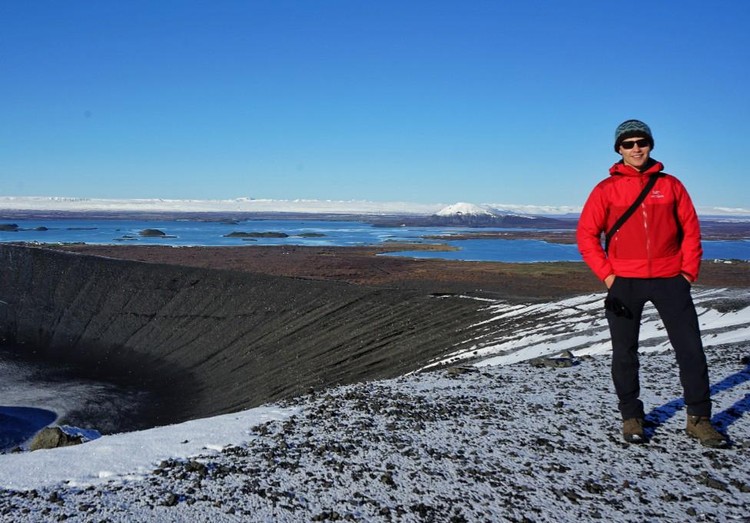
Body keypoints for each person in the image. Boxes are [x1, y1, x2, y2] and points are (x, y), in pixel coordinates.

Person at [576, 119, 726, 447]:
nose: (635, 148)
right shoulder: (606, 190)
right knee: (625, 352)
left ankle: (698, 418)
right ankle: (631, 417)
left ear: (650, 145)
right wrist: (609, 275)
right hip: (624, 282)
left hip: (670, 279)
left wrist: (687, 274)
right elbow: (586, 235)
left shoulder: (671, 186)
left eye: (641, 142)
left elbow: (691, 231)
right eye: (628, 143)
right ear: (619, 149)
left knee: (690, 349)